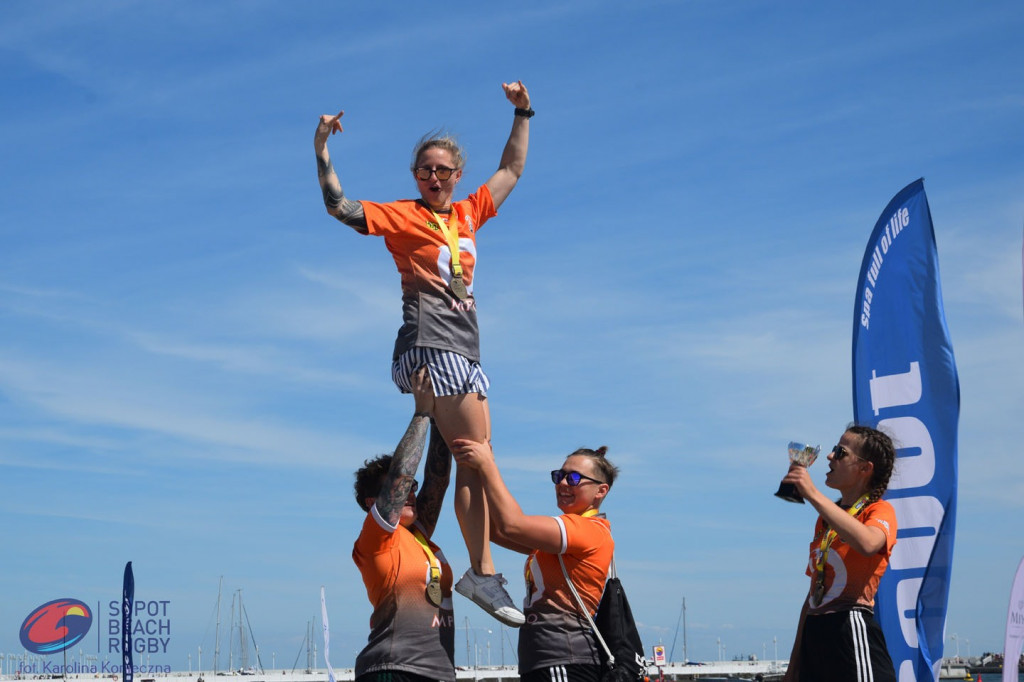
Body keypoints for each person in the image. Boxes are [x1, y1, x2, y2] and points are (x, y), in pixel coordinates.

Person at [315, 81, 532, 627]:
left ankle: (453, 561)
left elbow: (511, 170)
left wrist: (523, 112)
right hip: (430, 346)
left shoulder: (468, 214)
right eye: (423, 171)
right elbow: (340, 207)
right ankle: (482, 571)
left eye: (442, 171)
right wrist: (322, 149)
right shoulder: (403, 217)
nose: (432, 178)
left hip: (465, 348)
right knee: (475, 455)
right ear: (414, 176)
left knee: (466, 458)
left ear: (457, 176)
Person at [453, 439, 618, 682]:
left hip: (565, 658)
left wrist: (487, 465)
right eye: (559, 476)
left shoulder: (588, 530)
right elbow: (492, 530)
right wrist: (471, 470)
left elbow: (512, 525)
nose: (562, 483)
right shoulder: (563, 539)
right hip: (545, 660)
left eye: (573, 478)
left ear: (600, 491)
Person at [352, 368, 456, 682]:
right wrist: (422, 413)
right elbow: (400, 474)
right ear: (373, 503)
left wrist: (438, 413)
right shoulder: (377, 539)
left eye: (413, 487)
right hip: (392, 667)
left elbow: (438, 479)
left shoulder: (421, 537)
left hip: (436, 671)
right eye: (402, 488)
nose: (410, 492)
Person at [780, 425, 899, 682]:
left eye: (840, 452)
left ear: (865, 468)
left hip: (851, 629)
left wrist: (812, 494)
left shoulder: (879, 510)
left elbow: (868, 543)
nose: (830, 456)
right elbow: (813, 595)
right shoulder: (826, 520)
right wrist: (794, 666)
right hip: (815, 636)